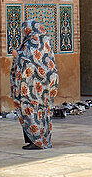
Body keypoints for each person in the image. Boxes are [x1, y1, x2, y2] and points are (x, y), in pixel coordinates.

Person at [12, 19, 59, 150]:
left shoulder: (34, 41)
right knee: (42, 112)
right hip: (44, 86)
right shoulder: (44, 41)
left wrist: (18, 55)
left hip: (34, 87)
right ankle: (38, 139)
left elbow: (32, 62)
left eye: (24, 30)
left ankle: (37, 141)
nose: (23, 32)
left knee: (31, 110)